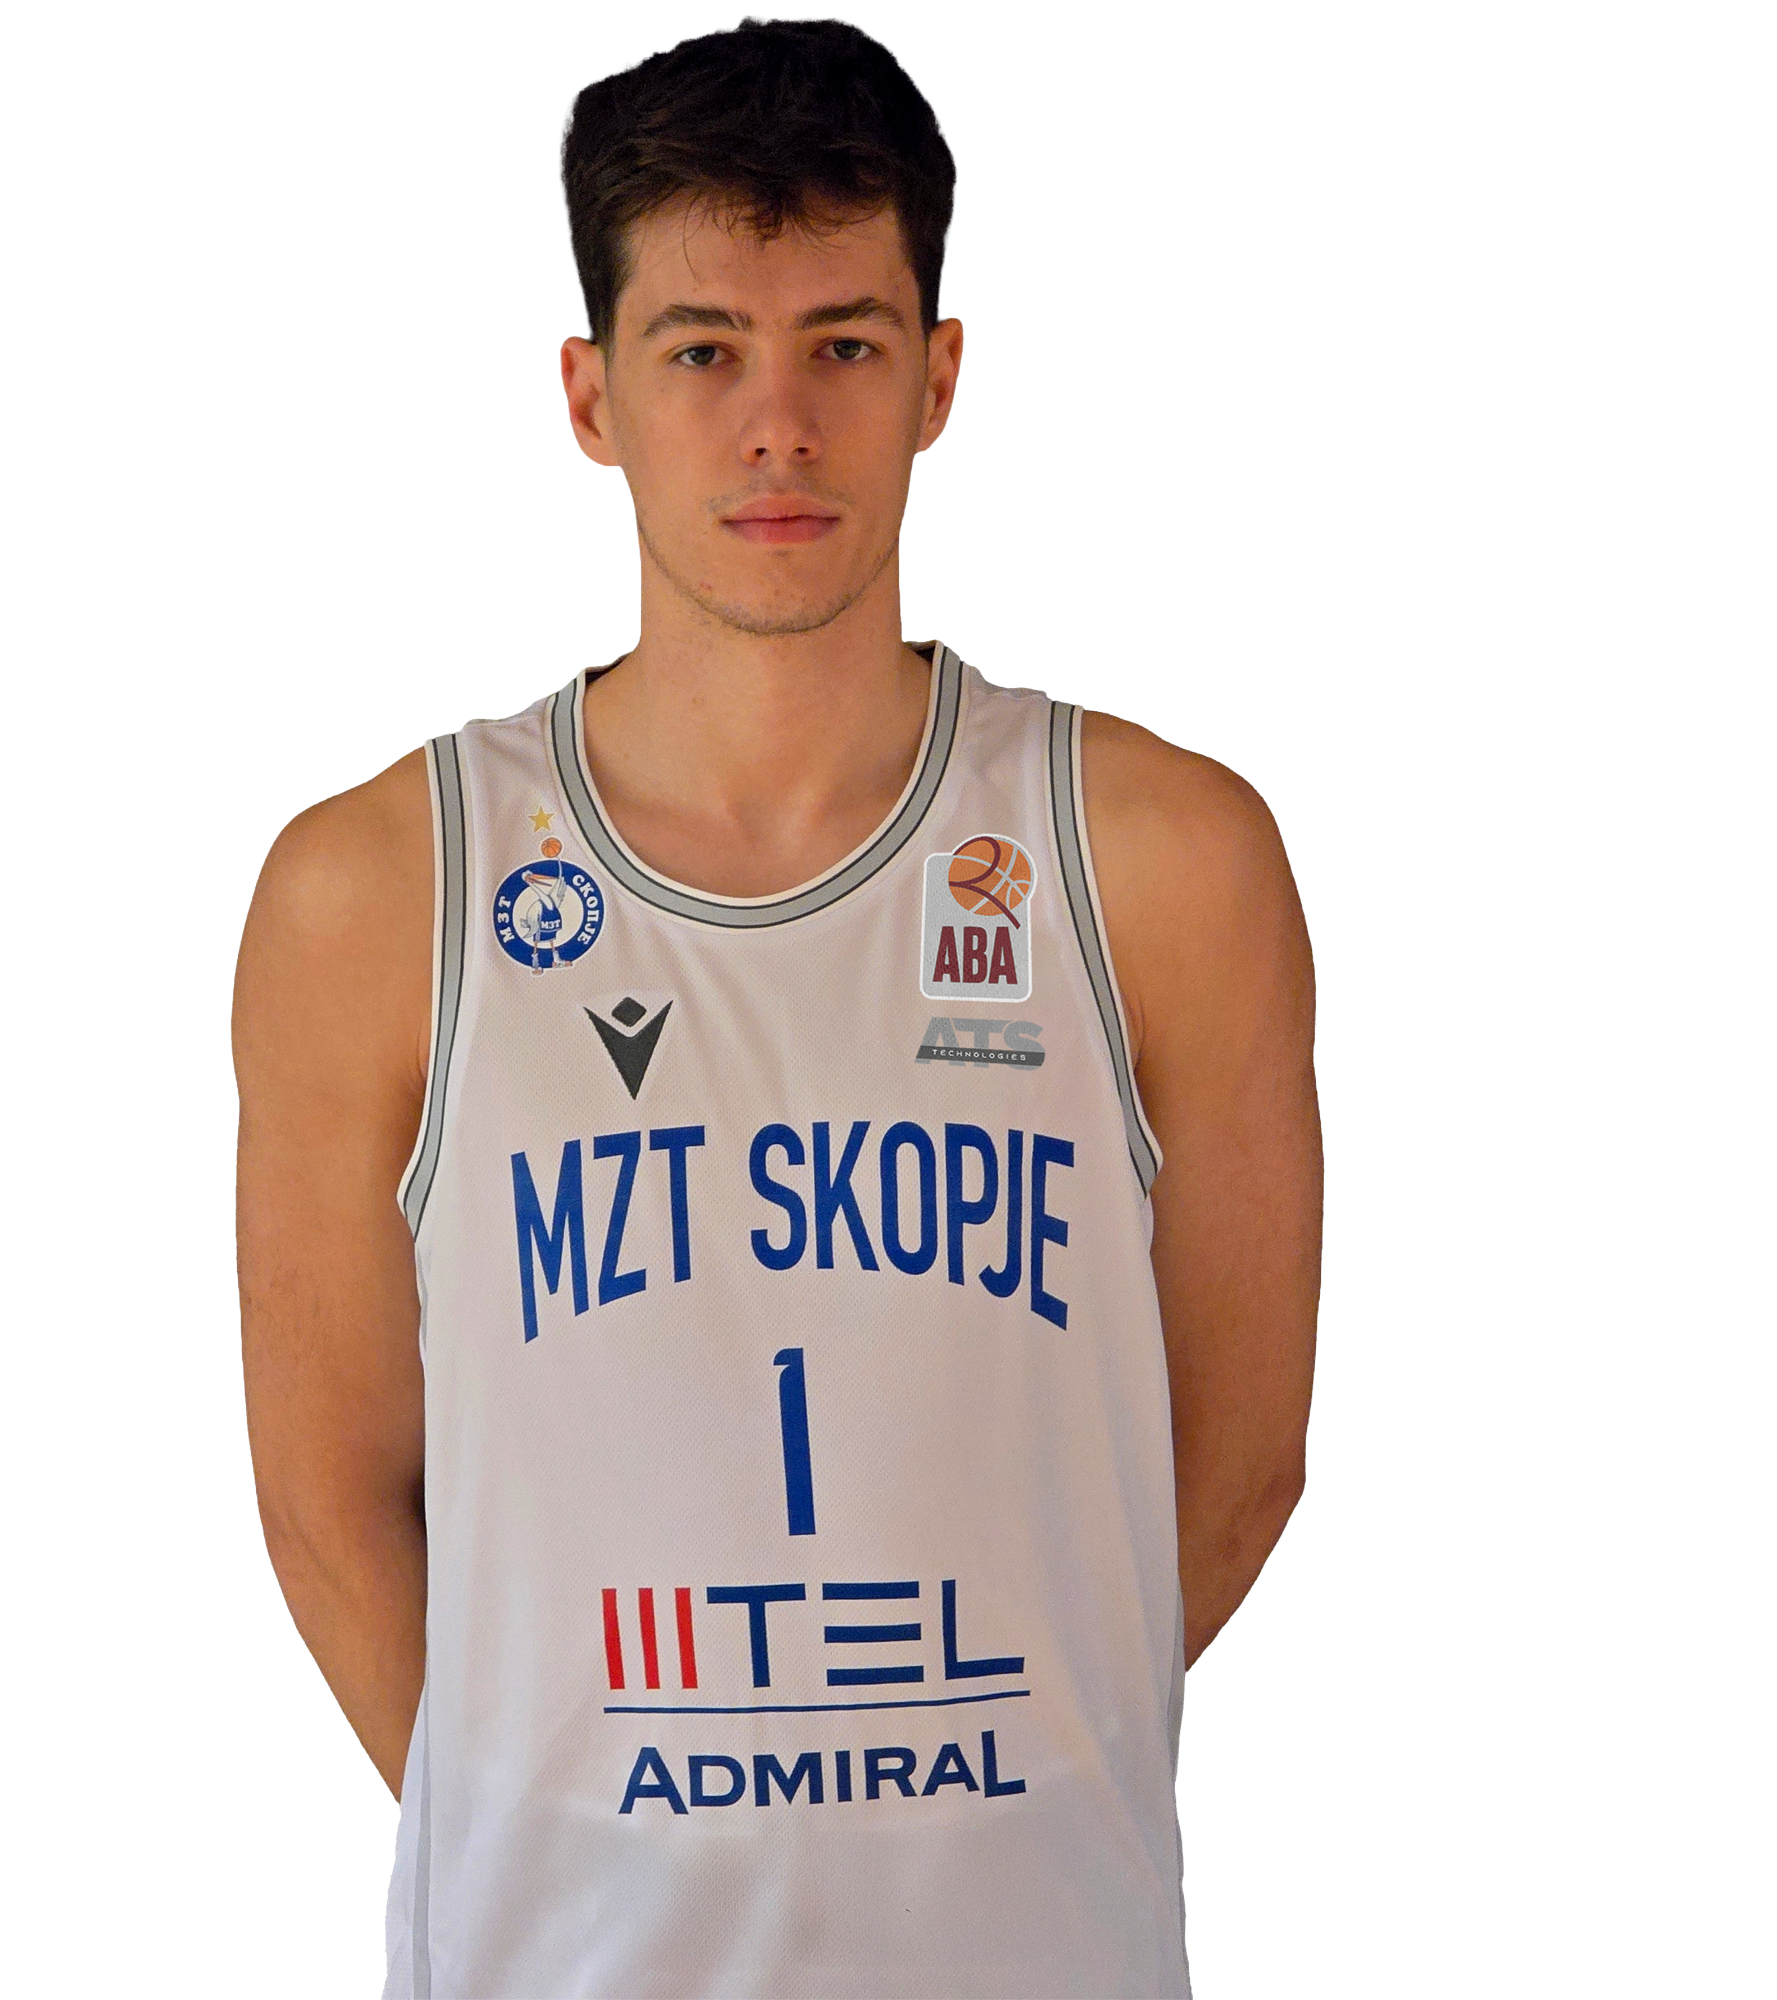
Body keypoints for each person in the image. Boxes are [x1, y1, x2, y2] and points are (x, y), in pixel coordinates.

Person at [233, 17, 1321, 1997]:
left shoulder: (1160, 859)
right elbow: (327, 1505)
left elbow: (1237, 1462)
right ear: (590, 395)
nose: (778, 428)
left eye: (843, 343)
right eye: (702, 350)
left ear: (939, 376)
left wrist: (945, 1816)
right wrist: (580, 1835)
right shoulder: (378, 890)